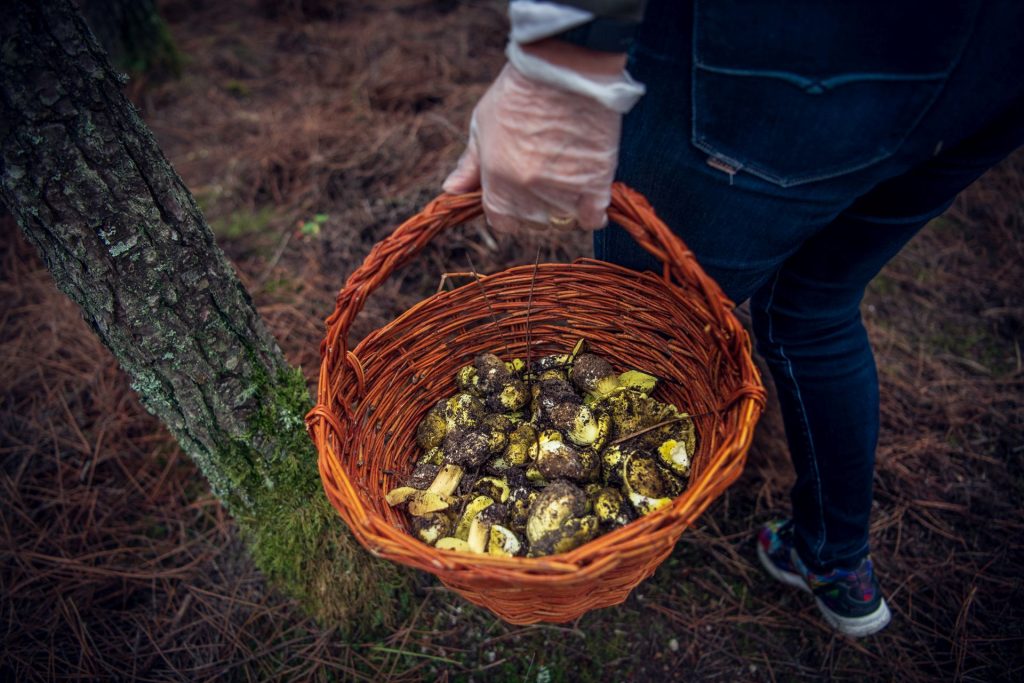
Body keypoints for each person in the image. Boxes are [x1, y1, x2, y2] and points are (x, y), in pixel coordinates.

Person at [442, 0, 1024, 638]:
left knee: (642, 314)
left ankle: (617, 540)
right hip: (991, 70)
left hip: (792, 53)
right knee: (817, 308)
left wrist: (558, 61)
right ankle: (835, 560)